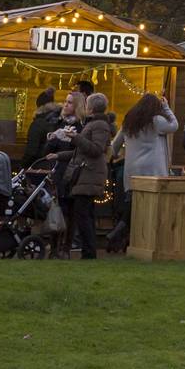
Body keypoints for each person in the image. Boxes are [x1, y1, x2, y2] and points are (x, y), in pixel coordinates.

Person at [65, 93, 113, 259]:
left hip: (90, 174)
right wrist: (58, 155)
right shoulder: (95, 124)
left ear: (91, 107)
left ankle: (89, 252)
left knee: (82, 214)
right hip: (87, 173)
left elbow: (96, 149)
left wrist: (76, 137)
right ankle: (88, 252)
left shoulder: (99, 125)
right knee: (86, 214)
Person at [116, 93, 178, 181]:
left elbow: (115, 145)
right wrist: (166, 107)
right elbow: (174, 125)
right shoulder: (156, 120)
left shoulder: (128, 122)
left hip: (132, 172)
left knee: (132, 194)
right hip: (152, 173)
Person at [23, 88, 62, 164]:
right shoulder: (60, 120)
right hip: (56, 165)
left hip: (39, 165)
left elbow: (32, 151)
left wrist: (23, 165)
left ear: (39, 107)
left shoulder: (38, 124)